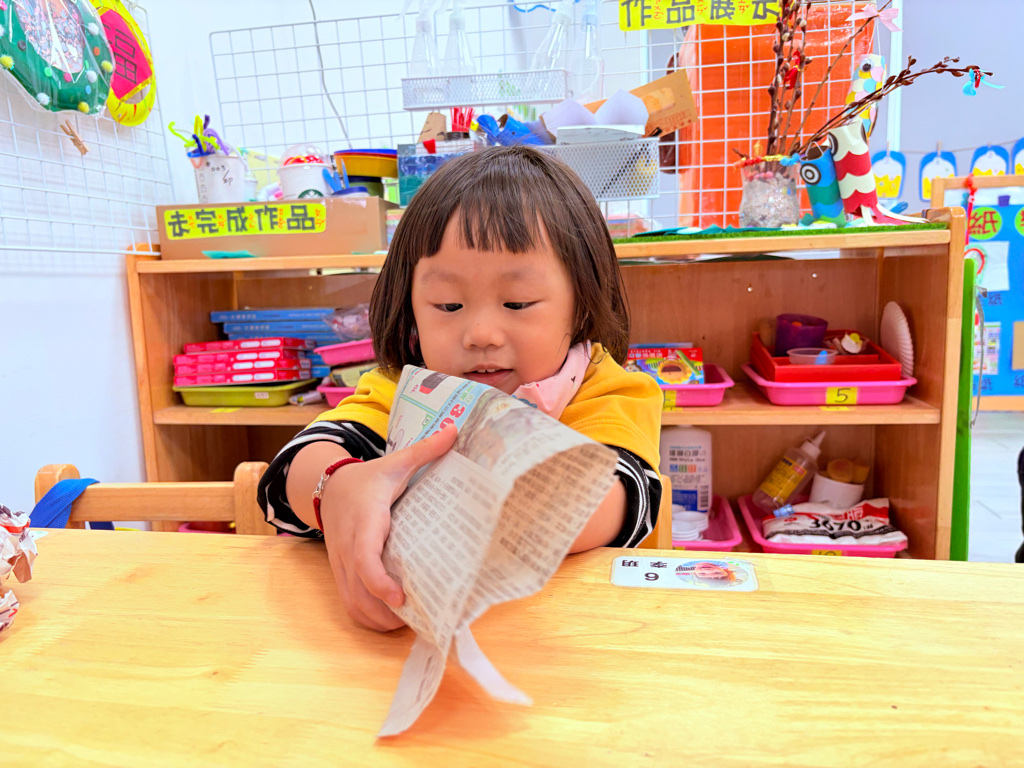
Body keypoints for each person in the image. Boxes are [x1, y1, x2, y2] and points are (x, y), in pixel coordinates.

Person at [258, 146, 663, 631]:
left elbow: (626, 494)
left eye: (517, 303)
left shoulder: (606, 390)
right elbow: (296, 464)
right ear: (411, 308)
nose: (480, 334)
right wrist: (337, 487)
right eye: (449, 306)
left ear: (581, 304)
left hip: (565, 631)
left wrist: (515, 512)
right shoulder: (406, 388)